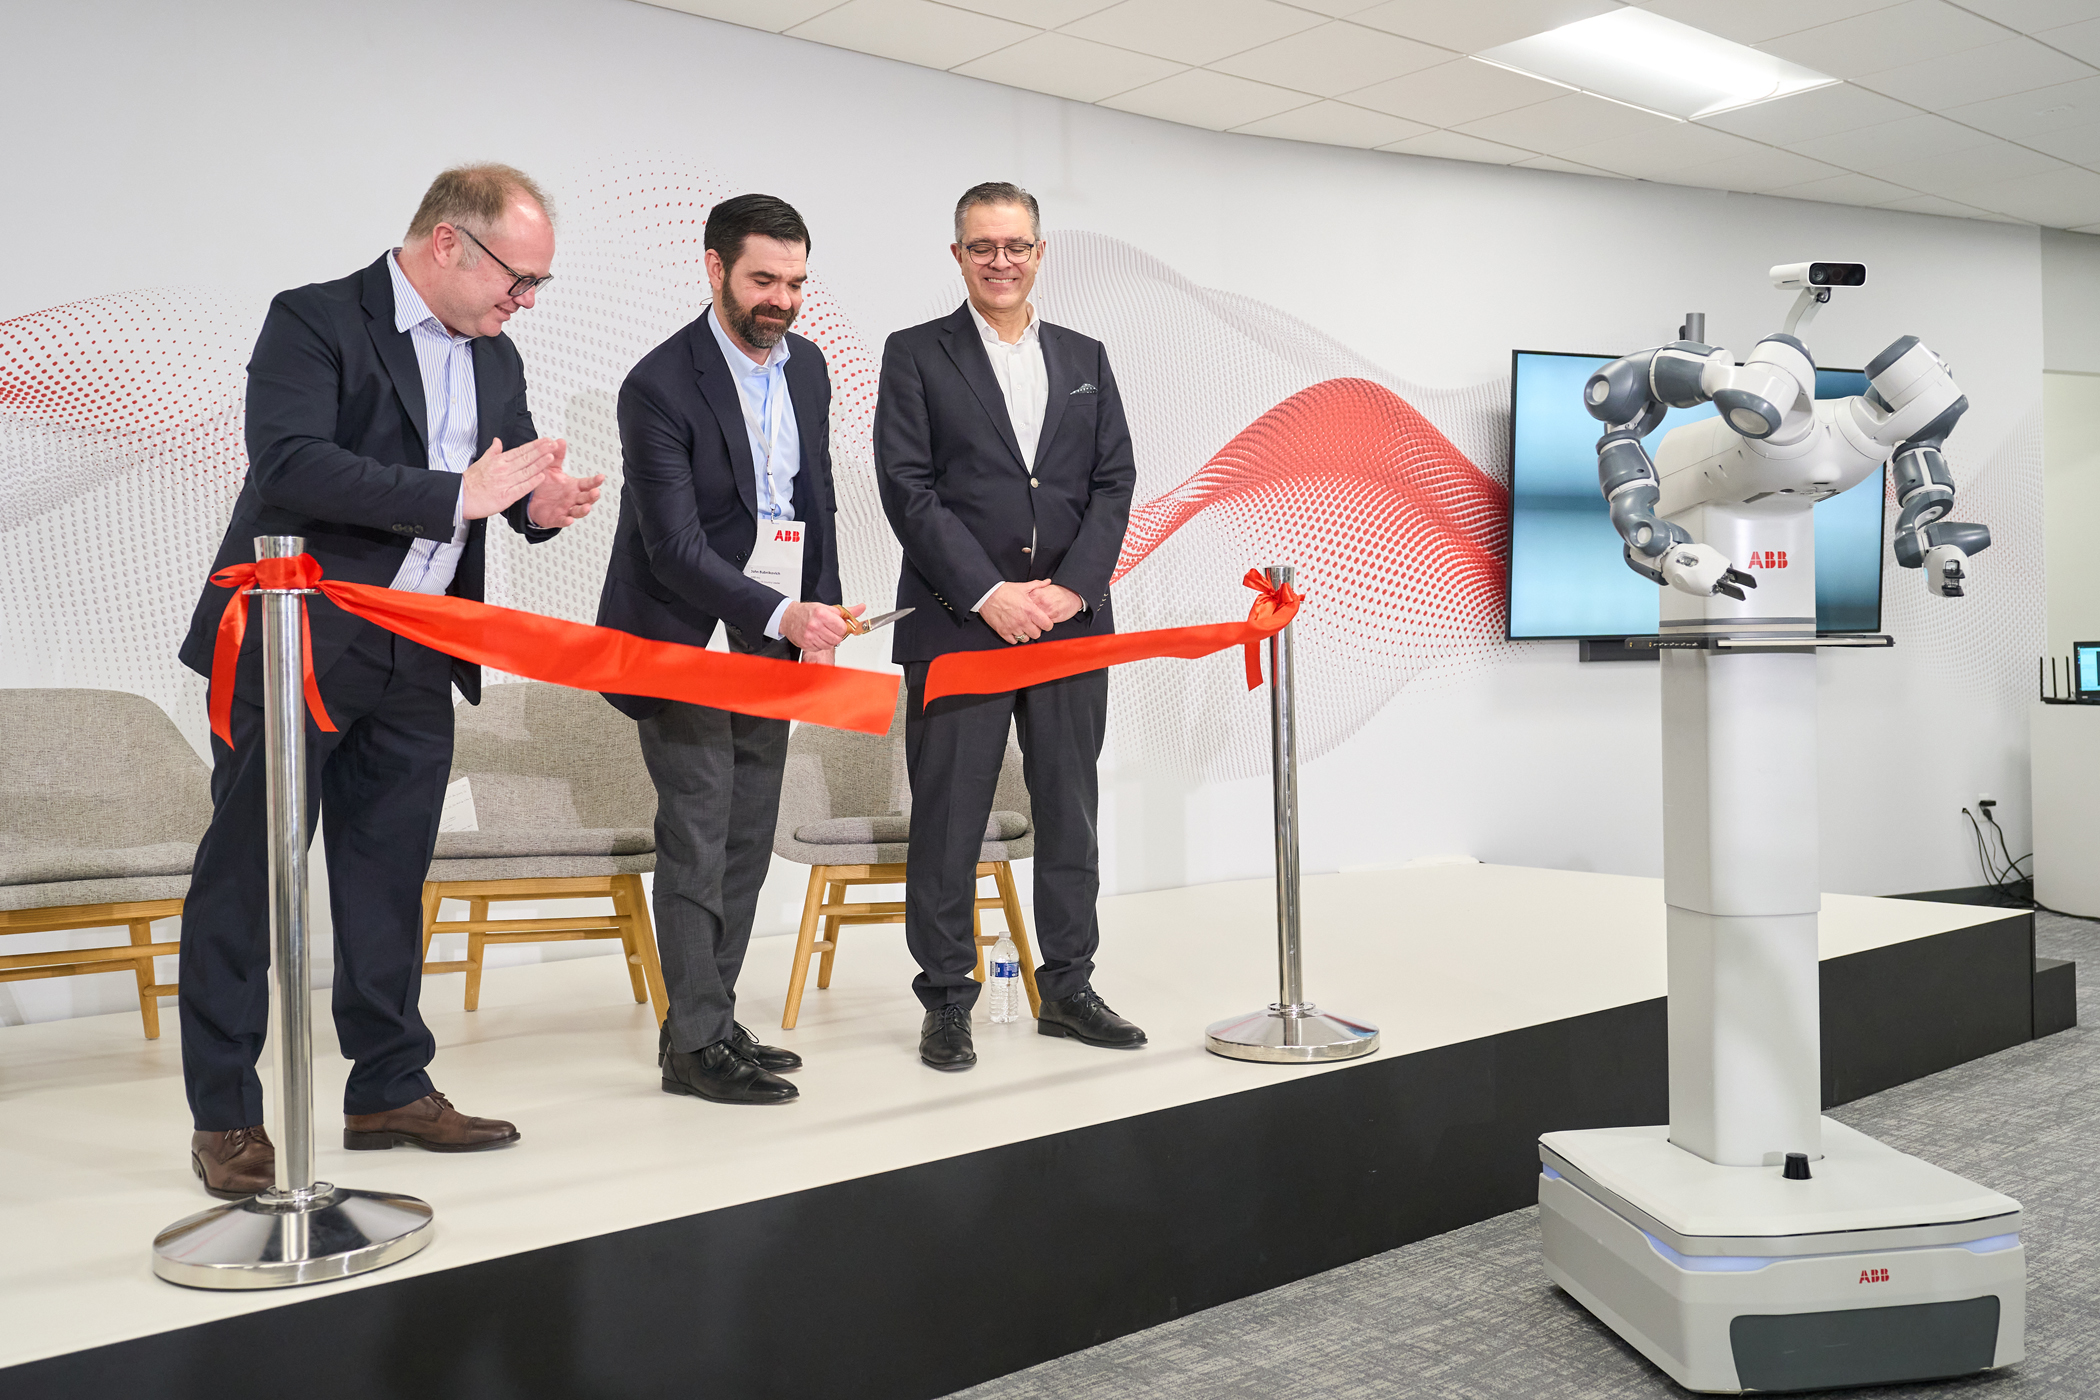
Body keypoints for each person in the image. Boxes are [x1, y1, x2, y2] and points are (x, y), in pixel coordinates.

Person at [175, 164, 604, 1197]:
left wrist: (536, 508)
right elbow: (292, 465)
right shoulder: (316, 320)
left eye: (540, 285)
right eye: (519, 278)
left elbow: (494, 495)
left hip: (420, 650)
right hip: (295, 642)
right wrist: (460, 492)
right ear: (450, 243)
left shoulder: (496, 355)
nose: (526, 301)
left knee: (387, 876)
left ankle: (388, 1084)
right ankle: (227, 1114)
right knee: (250, 876)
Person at [874, 181, 1143, 1071]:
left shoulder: (1086, 358)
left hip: (1070, 626)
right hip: (959, 626)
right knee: (949, 820)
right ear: (957, 255)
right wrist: (989, 592)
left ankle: (1067, 987)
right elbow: (907, 489)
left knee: (1070, 811)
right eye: (982, 246)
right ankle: (947, 998)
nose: (1001, 261)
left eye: (1016, 245)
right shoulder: (915, 354)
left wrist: (1070, 589)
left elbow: (1112, 483)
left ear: (1039, 253)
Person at [596, 194, 858, 1105]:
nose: (780, 299)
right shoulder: (659, 385)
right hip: (681, 639)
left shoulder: (810, 368)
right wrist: (784, 613)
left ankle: (706, 1018)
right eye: (762, 280)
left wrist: (813, 611)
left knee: (747, 835)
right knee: (699, 835)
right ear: (714, 270)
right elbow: (672, 547)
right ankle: (695, 1047)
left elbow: (809, 500)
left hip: (771, 638)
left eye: (794, 282)